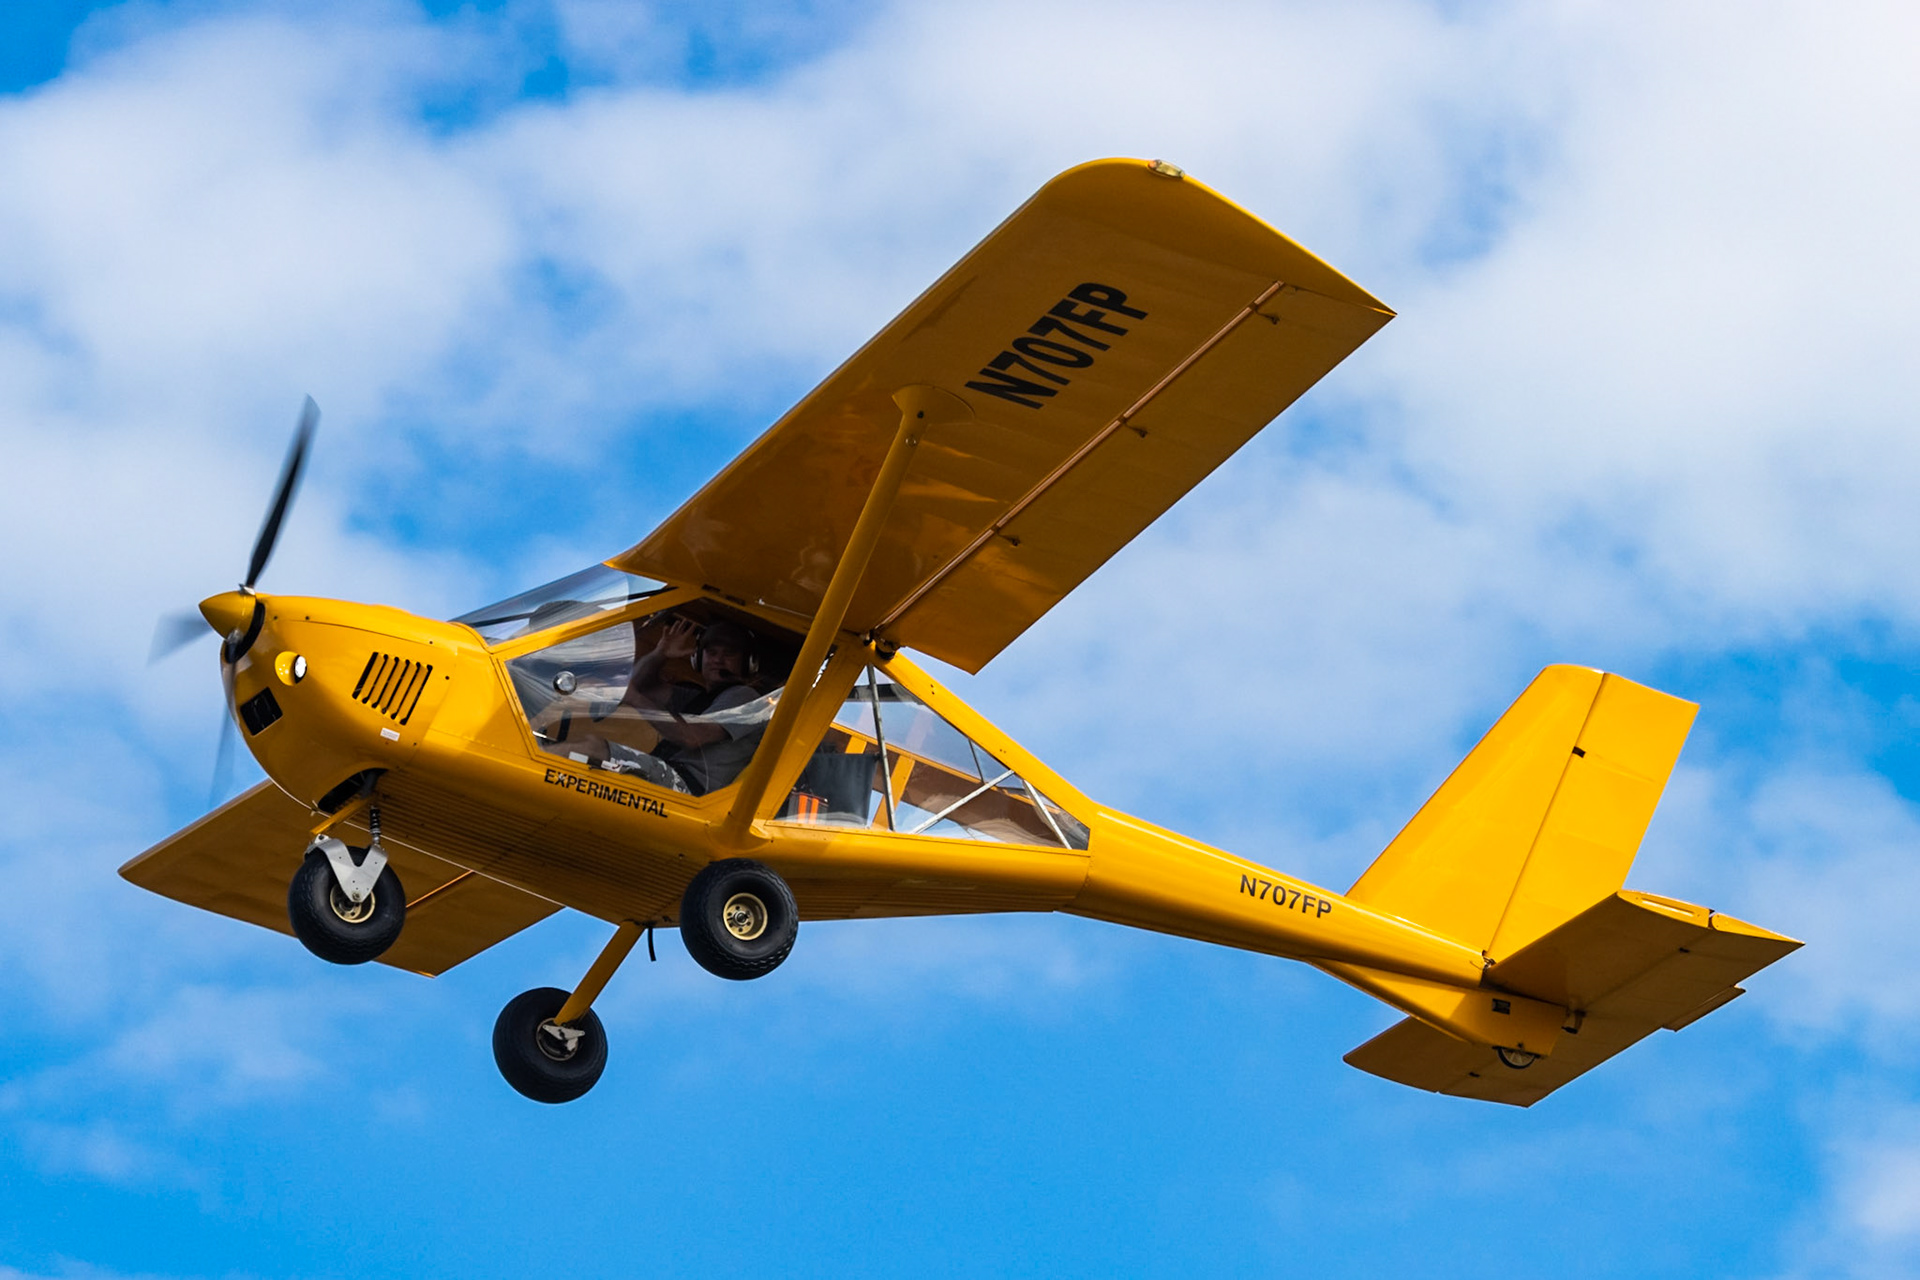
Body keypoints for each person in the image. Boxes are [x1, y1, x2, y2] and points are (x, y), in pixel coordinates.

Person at [590, 616, 776, 795]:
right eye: (712, 653)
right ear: (698, 658)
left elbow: (691, 737)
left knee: (593, 749)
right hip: (667, 774)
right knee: (583, 759)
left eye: (728, 654)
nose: (718, 660)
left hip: (690, 788)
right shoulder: (696, 698)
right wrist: (660, 653)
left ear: (747, 664)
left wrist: (635, 699)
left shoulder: (745, 697)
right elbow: (638, 686)